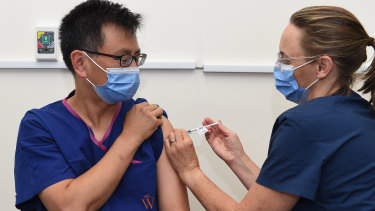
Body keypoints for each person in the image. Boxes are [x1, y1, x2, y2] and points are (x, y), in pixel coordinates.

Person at [164, 6, 375, 210]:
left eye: (286, 59)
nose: (278, 66)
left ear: (322, 66)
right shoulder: (360, 111)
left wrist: (190, 170)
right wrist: (237, 159)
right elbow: (278, 195)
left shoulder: (304, 125)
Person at [14, 0, 189, 210]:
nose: (134, 68)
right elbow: (69, 206)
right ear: (81, 63)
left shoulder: (152, 119)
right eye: (123, 58)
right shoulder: (40, 127)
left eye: (136, 57)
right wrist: (131, 137)